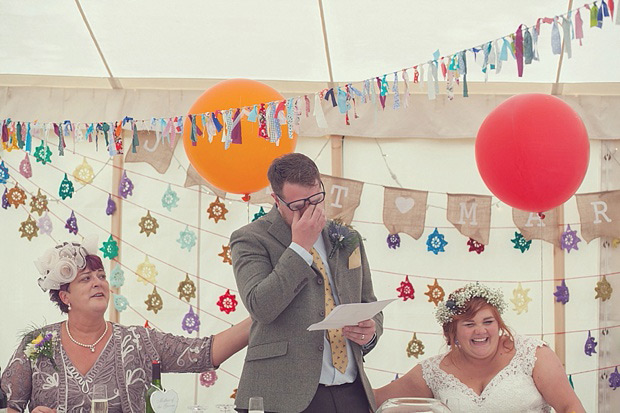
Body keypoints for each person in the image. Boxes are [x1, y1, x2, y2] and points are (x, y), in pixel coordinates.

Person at [1, 236, 251, 413]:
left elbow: (204, 353)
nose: (98, 283)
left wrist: (260, 318)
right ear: (65, 297)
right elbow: (8, 405)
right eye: (86, 279)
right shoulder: (37, 343)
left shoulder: (137, 341)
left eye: (101, 277)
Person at [230, 153, 383, 413]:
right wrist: (299, 247)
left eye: (316, 199)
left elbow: (369, 302)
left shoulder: (346, 236)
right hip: (282, 393)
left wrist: (370, 332)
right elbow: (260, 306)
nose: (310, 210)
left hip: (351, 390)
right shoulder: (250, 238)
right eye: (299, 205)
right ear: (276, 200)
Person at [374, 282, 585, 413]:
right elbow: (373, 401)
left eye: (487, 322)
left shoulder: (533, 354)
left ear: (499, 323)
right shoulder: (433, 372)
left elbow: (570, 407)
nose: (480, 331)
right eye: (469, 324)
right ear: (452, 332)